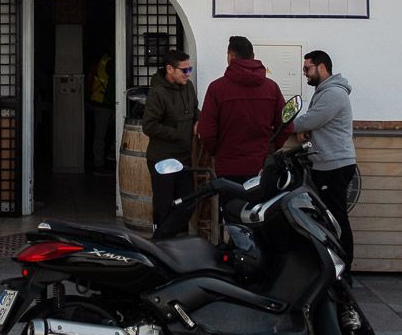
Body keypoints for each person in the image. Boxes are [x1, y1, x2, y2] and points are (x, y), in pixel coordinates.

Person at [295, 49, 357, 271]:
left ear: (321, 67)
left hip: (334, 165)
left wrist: (287, 125)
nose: (305, 73)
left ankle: (344, 268)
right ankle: (334, 265)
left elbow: (313, 119)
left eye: (307, 68)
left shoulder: (333, 94)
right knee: (329, 217)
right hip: (328, 164)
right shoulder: (325, 92)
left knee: (336, 218)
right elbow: (319, 123)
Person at [197, 36, 290, 183]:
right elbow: (287, 125)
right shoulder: (271, 88)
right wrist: (270, 148)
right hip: (262, 166)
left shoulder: (217, 88)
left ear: (230, 56)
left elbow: (207, 131)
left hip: (228, 167)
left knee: (232, 206)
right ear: (253, 57)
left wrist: (218, 152)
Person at [142, 49, 198, 238]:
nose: (188, 73)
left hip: (184, 156)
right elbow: (149, 126)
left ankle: (177, 244)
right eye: (184, 70)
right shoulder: (157, 93)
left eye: (189, 69)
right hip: (163, 158)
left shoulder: (188, 87)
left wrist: (199, 121)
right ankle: (160, 243)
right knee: (164, 205)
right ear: (169, 69)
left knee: (187, 202)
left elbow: (194, 111)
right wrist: (178, 133)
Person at [86, 49, 115, 174]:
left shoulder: (101, 61)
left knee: (101, 135)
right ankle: (100, 164)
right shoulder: (110, 63)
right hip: (104, 103)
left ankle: (103, 161)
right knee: (101, 135)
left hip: (101, 102)